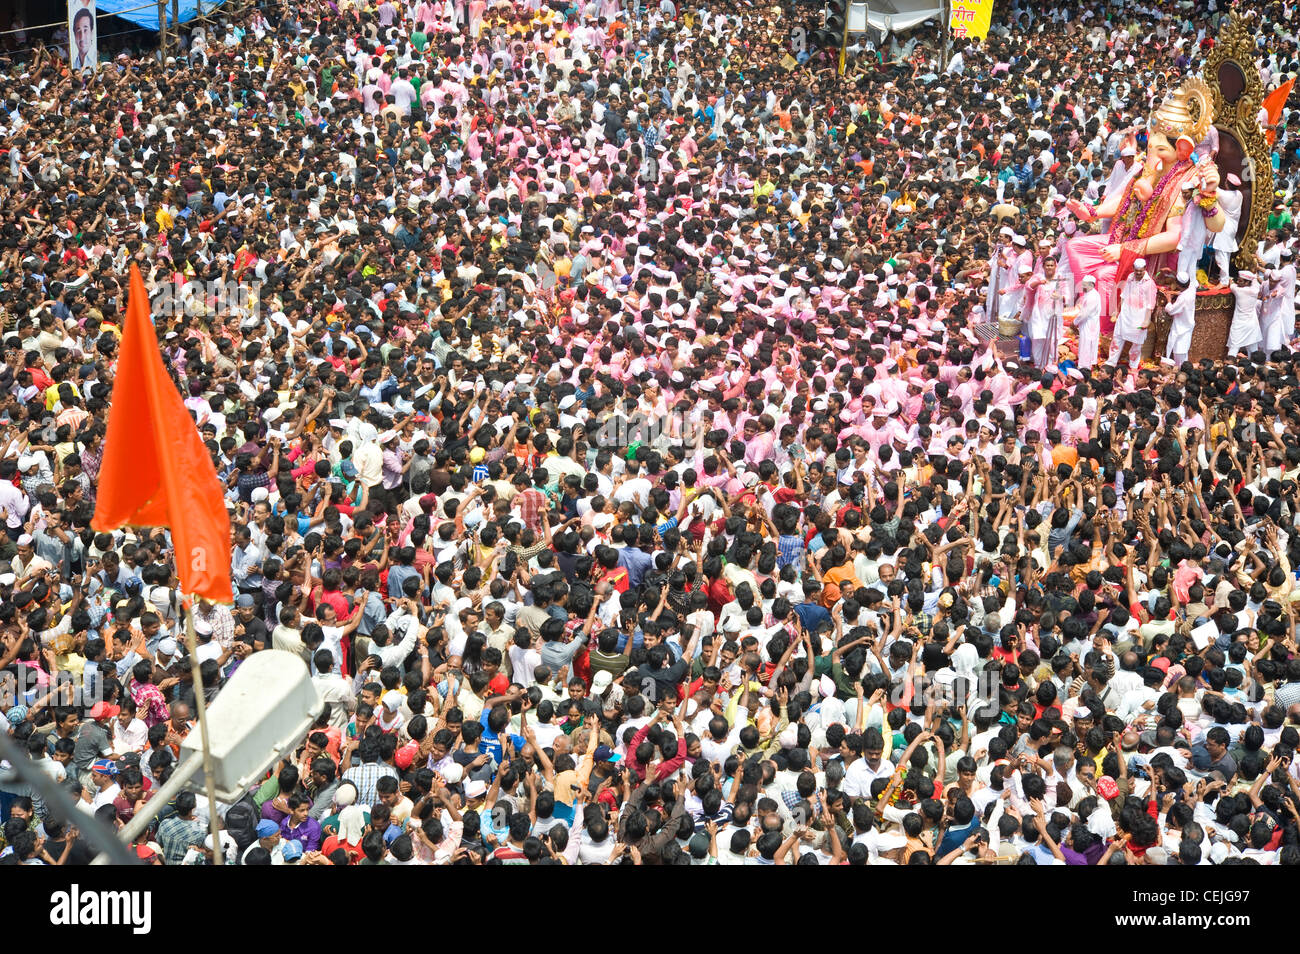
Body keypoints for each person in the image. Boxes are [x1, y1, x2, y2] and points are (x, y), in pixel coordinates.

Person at [1108, 258, 1158, 369]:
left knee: (1136, 345)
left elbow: (1151, 304)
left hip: (1139, 318)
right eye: (1136, 270)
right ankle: (1111, 363)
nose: (1138, 273)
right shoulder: (1130, 277)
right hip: (1125, 315)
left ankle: (1133, 366)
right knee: (1117, 339)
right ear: (1133, 269)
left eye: (1141, 271)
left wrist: (1147, 320)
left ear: (1145, 269)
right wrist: (1117, 311)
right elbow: (1123, 296)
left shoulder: (1150, 284)